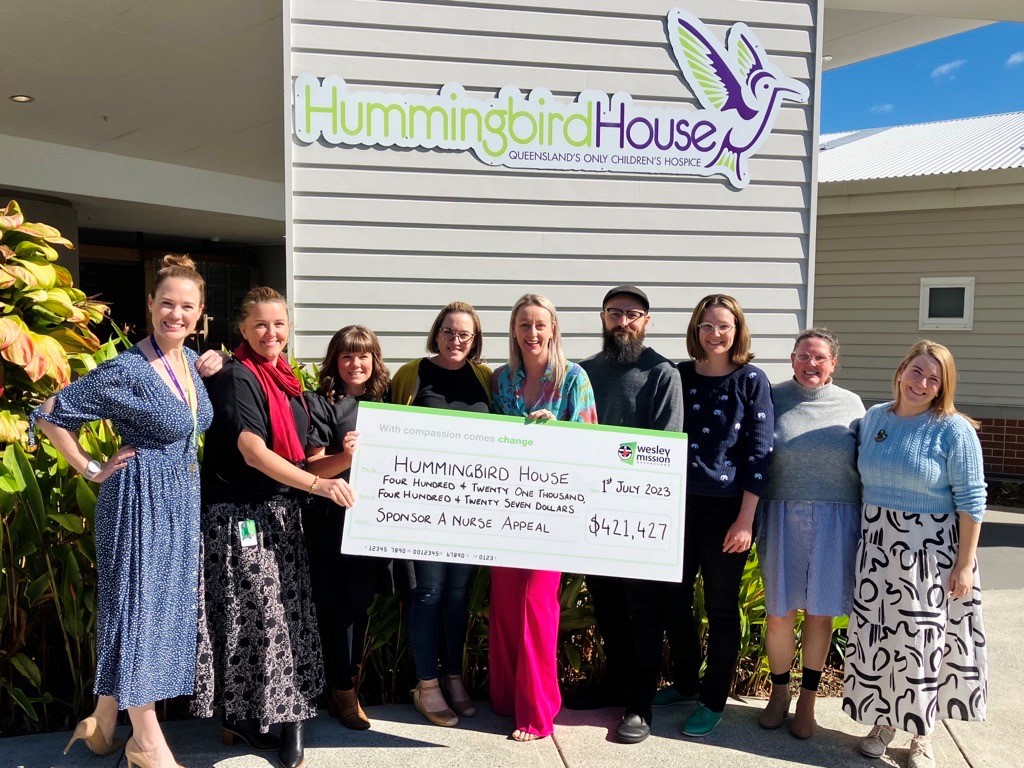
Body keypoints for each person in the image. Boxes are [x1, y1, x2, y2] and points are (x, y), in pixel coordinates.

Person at [32, 255, 214, 768]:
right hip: (138, 501)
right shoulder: (128, 369)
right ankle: (146, 742)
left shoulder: (189, 361)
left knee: (155, 611)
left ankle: (103, 720)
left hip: (179, 503)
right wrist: (91, 468)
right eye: (167, 304)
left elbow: (196, 413)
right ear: (150, 305)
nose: (176, 314)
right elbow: (49, 414)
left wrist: (216, 364)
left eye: (187, 307)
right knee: (138, 613)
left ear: (200, 313)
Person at [192, 286, 355, 768]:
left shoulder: (287, 382)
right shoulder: (236, 376)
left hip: (282, 516)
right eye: (260, 324)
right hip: (240, 517)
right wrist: (319, 486)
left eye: (279, 323)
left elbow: (304, 461)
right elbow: (252, 451)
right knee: (263, 618)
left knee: (283, 616)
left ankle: (246, 719)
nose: (271, 332)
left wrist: (347, 459)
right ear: (242, 329)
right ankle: (282, 721)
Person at [843, 341, 987, 768]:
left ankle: (923, 734)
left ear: (944, 386)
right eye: (917, 371)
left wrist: (964, 563)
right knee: (880, 639)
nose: (921, 383)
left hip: (929, 554)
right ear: (902, 369)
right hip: (877, 550)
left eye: (933, 379)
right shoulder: (874, 418)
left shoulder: (953, 429)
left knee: (923, 644)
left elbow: (972, 499)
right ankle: (884, 723)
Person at [656, 293, 773, 738]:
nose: (715, 333)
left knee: (722, 608)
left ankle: (713, 699)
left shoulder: (751, 380)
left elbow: (760, 452)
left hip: (727, 509)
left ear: (737, 330)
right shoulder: (679, 375)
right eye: (707, 326)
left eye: (724, 326)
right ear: (696, 330)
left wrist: (745, 520)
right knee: (674, 599)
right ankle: (686, 682)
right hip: (678, 505)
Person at [573, 285, 684, 744]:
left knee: (644, 610)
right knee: (607, 604)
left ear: (646, 322)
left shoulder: (662, 373)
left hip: (641, 513)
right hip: (591, 510)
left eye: (632, 315)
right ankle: (616, 683)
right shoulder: (582, 372)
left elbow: (666, 445)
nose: (623, 322)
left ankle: (640, 703)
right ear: (602, 318)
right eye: (615, 313)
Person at [490, 293, 598, 741]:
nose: (532, 333)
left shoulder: (574, 378)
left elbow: (592, 440)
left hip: (553, 513)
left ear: (553, 328)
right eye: (524, 325)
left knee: (537, 607)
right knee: (505, 605)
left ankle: (536, 713)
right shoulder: (501, 379)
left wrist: (557, 432)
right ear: (513, 331)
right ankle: (505, 699)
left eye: (539, 324)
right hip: (504, 508)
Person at [756, 328, 865, 739]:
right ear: (792, 359)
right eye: (803, 356)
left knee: (821, 613)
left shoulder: (852, 405)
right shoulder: (772, 397)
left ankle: (808, 700)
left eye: (820, 357)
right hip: (780, 513)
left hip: (837, 518)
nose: (811, 364)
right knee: (779, 613)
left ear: (834, 363)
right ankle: (779, 693)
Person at [391, 301, 492, 727]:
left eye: (465, 334)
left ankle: (453, 677)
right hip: (424, 508)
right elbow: (388, 430)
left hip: (470, 509)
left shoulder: (485, 378)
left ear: (475, 340)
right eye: (449, 331)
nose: (456, 340)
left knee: (456, 596)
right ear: (436, 333)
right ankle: (427, 684)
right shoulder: (411, 374)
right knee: (428, 593)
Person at [303, 325, 391, 730]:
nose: (356, 364)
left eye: (363, 355)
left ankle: (349, 684)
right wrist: (346, 456)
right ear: (335, 361)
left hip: (376, 522)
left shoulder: (388, 405)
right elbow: (313, 468)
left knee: (360, 605)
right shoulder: (322, 403)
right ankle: (342, 692)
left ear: (374, 360)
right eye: (347, 356)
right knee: (338, 609)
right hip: (335, 523)